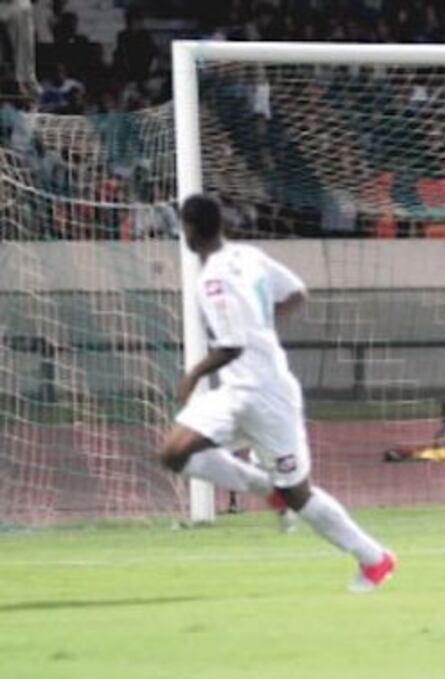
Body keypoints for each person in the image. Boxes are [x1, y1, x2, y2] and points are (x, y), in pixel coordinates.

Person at [157, 194, 394, 591]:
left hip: (268, 398)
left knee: (299, 494)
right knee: (173, 452)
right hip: (236, 392)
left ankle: (375, 559)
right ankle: (263, 487)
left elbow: (231, 344)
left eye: (182, 226)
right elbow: (297, 292)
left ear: (191, 229)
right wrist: (262, 327)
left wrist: (193, 374)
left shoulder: (214, 280)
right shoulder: (248, 255)